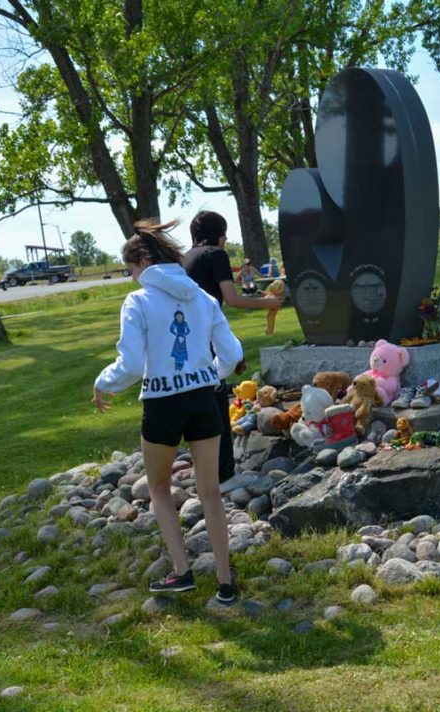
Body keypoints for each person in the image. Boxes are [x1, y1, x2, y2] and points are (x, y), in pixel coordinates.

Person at [93, 219, 243, 605]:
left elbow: (131, 366)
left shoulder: (138, 302)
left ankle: (182, 571)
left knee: (159, 489)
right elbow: (231, 353)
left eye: (131, 270)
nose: (132, 278)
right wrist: (209, 374)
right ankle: (225, 581)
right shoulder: (203, 298)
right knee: (210, 492)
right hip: (204, 400)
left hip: (162, 404)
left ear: (143, 261)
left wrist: (103, 383)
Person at [183, 210, 282, 489]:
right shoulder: (216, 255)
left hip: (185, 341)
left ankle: (204, 473)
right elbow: (232, 299)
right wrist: (268, 303)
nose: (225, 240)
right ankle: (224, 476)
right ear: (219, 234)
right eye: (224, 235)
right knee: (217, 408)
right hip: (206, 340)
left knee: (199, 407)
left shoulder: (185, 258)